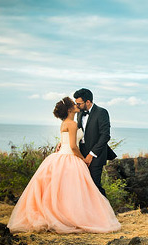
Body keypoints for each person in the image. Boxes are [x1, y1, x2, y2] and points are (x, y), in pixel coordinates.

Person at [7, 97, 121, 234]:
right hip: (70, 157)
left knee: (62, 190)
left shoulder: (66, 122)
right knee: (75, 190)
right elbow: (73, 146)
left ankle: (62, 216)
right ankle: (72, 217)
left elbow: (69, 139)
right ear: (69, 109)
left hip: (61, 156)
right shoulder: (72, 123)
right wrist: (83, 159)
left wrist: (62, 143)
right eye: (74, 104)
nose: (76, 104)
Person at [73, 88, 116, 197]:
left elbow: (105, 136)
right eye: (76, 103)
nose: (77, 106)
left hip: (97, 154)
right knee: (83, 185)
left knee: (95, 185)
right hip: (81, 154)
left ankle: (106, 212)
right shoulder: (79, 114)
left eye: (79, 103)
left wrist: (91, 155)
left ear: (88, 102)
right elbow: (77, 132)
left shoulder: (102, 112)